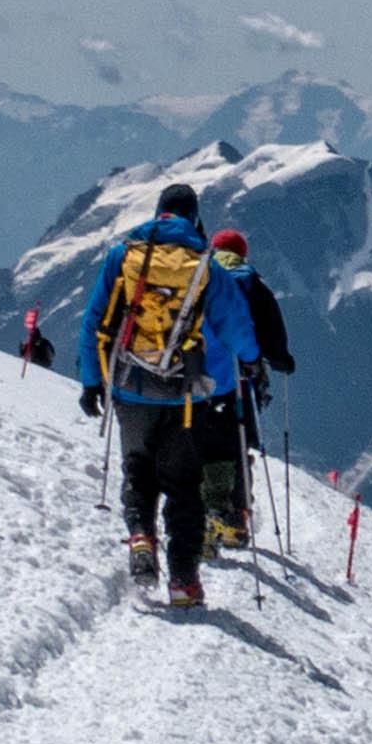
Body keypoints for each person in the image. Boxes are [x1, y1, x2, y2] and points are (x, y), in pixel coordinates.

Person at [74, 181, 258, 608]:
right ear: (195, 219)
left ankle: (141, 538)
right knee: (183, 485)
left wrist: (90, 381)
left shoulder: (123, 257)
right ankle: (183, 580)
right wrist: (250, 360)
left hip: (128, 386)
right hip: (183, 396)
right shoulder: (204, 266)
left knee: (137, 469)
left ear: (158, 214)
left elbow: (94, 322)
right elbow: (236, 327)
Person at [199, 227, 298, 549]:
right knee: (238, 442)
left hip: (195, 373)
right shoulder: (250, 282)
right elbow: (271, 331)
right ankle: (238, 515)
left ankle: (203, 513)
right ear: (242, 253)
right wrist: (280, 360)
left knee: (200, 440)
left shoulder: (199, 276)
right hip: (242, 375)